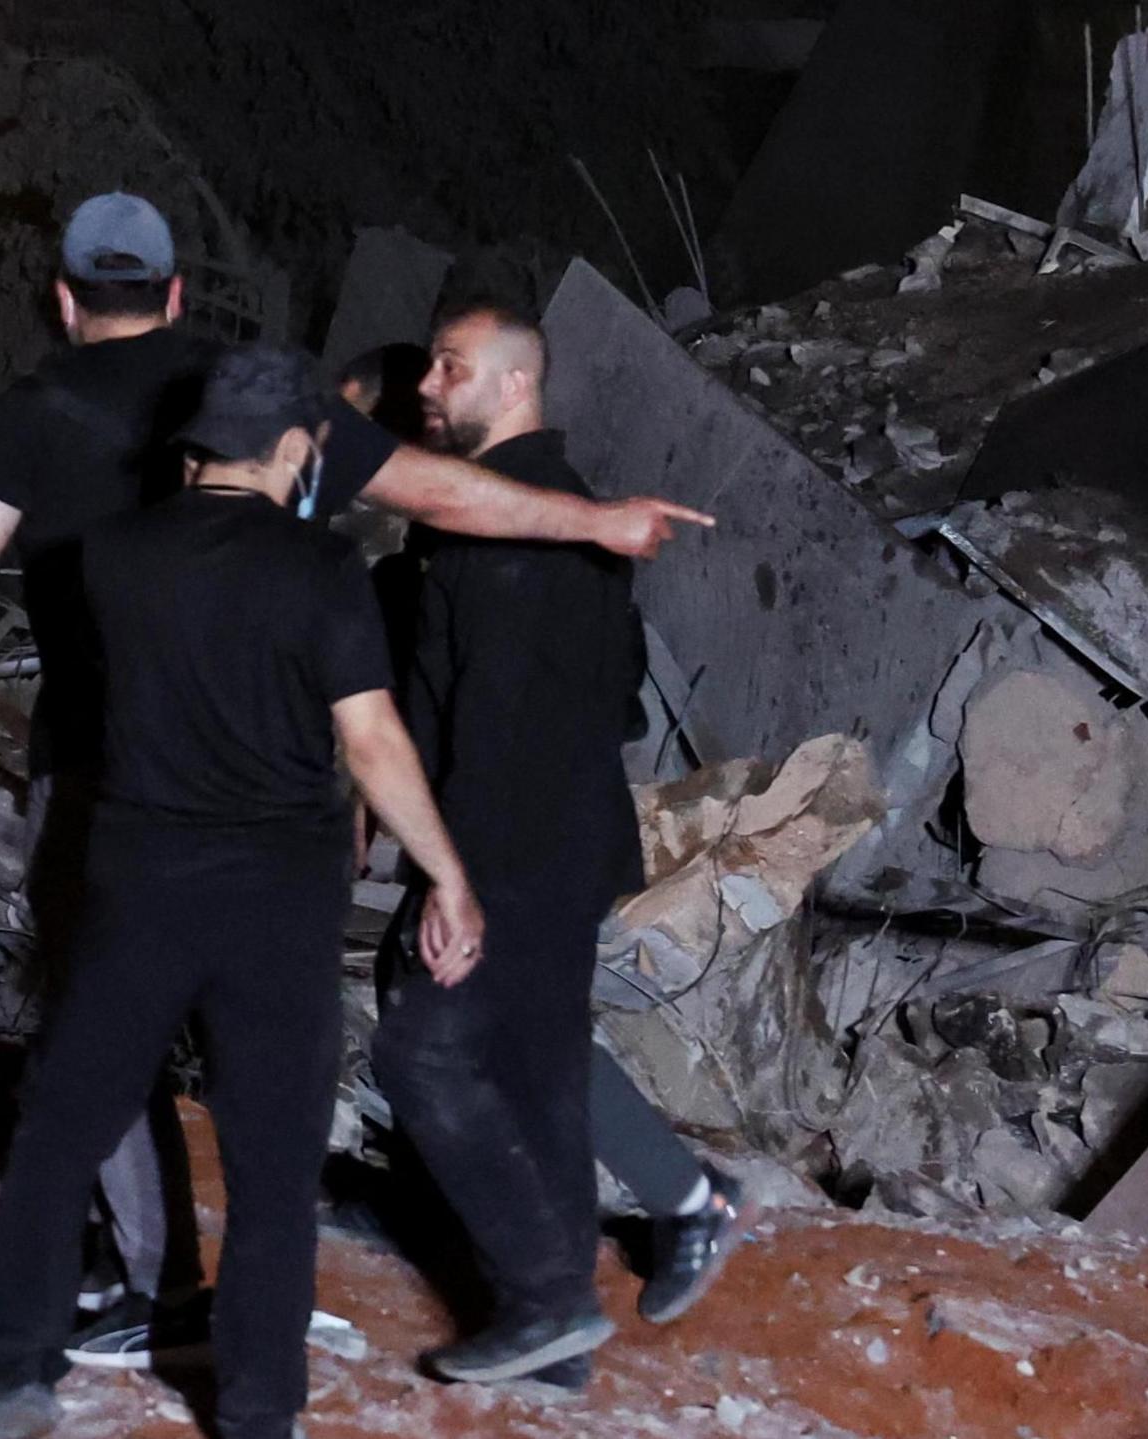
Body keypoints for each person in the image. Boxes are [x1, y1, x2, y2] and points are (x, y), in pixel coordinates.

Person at [0, 194, 710, 1387]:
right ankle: (262, 1369)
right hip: (277, 804)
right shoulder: (258, 412)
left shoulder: (37, 431)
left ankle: (126, 1296)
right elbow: (437, 507)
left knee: (100, 1041)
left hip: (115, 782)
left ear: (62, 297)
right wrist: (597, 521)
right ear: (178, 293)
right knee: (283, 1096)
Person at [0, 342, 488, 1439]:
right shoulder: (324, 571)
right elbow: (369, 743)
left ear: (194, 453)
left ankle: (14, 1372)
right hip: (279, 898)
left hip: (140, 880)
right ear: (288, 450)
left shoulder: (114, 555)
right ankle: (260, 1410)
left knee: (59, 1124)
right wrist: (448, 873)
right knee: (274, 1164)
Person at [371, 301, 744, 1387]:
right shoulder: (493, 519)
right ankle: (579, 1317)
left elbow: (503, 729)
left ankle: (554, 1292)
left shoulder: (532, 531)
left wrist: (456, 880)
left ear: (516, 385)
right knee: (535, 1058)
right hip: (550, 839)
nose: (427, 387)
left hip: (521, 843)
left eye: (450, 367)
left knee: (423, 1050)